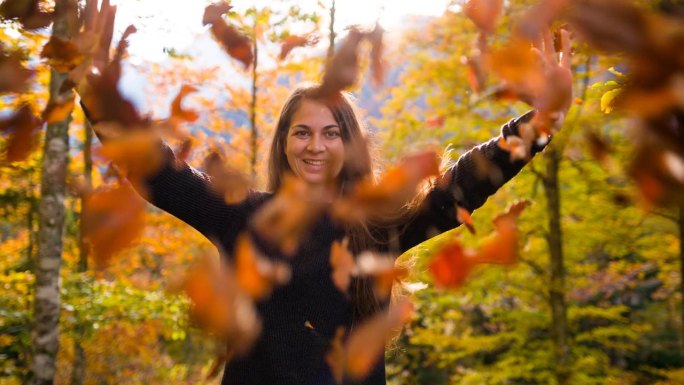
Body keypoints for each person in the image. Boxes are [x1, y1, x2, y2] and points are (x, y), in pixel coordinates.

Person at [79, 18, 572, 385]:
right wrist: (100, 97)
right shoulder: (241, 215)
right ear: (285, 143)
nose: (315, 146)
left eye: (330, 134)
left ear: (349, 145)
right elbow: (161, 172)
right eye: (303, 133)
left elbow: (463, 183)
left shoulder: (380, 227)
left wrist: (541, 122)